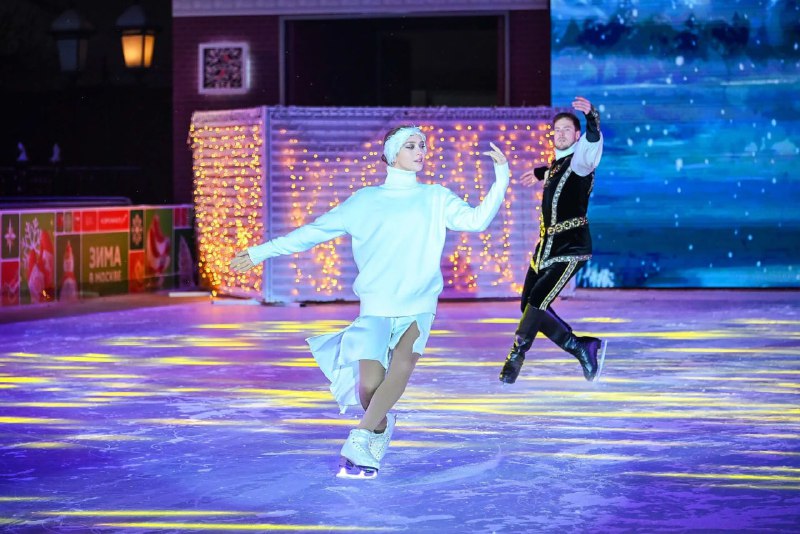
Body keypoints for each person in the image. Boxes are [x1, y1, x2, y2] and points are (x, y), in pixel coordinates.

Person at [231, 125, 509, 478]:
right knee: (369, 388)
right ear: (393, 154)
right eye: (411, 146)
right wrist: (260, 252)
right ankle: (379, 427)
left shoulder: (436, 197)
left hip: (419, 303)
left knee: (402, 366)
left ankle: (360, 436)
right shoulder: (363, 201)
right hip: (377, 305)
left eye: (422, 145)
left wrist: (501, 177)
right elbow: (311, 233)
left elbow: (476, 221)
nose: (420, 151)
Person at [498, 96, 607, 385]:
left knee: (537, 300)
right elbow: (554, 171)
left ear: (576, 135)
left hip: (570, 247)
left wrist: (592, 117)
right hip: (545, 248)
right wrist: (539, 173)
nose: (561, 134)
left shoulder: (582, 161)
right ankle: (581, 346)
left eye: (567, 129)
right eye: (557, 130)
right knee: (528, 304)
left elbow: (592, 143)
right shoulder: (558, 166)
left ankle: (516, 357)